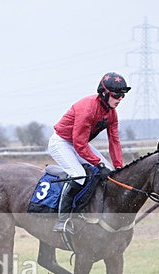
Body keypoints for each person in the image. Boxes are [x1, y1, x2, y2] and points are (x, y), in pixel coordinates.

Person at [47, 72, 130, 232]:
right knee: (78, 175)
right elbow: (79, 144)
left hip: (79, 144)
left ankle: (94, 212)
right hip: (61, 142)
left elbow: (114, 141)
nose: (120, 99)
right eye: (117, 95)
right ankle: (62, 220)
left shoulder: (112, 113)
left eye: (122, 96)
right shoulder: (87, 109)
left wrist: (119, 167)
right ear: (104, 93)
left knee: (111, 173)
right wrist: (98, 164)